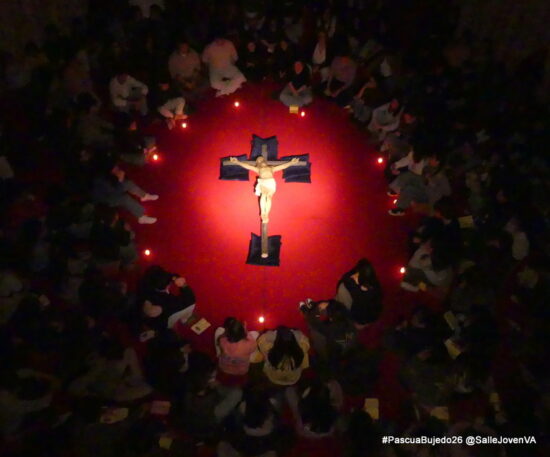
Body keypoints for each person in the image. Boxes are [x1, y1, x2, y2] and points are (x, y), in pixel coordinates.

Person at [229, 156, 300, 223]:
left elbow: (282, 166)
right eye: (259, 160)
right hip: (263, 182)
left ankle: (267, 214)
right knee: (263, 194)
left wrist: (291, 163)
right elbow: (248, 166)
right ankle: (263, 212)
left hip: (271, 182)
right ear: (258, 164)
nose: (261, 160)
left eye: (262, 159)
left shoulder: (271, 168)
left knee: (269, 197)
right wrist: (237, 162)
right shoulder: (258, 169)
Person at [91, 163, 158, 224]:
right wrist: (120, 180)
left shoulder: (106, 174)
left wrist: (119, 179)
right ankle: (141, 217)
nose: (117, 169)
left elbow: (114, 185)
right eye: (115, 169)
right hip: (104, 202)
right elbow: (114, 191)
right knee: (124, 199)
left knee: (127, 183)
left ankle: (144, 196)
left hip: (110, 191)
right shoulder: (99, 179)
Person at [139, 265, 196, 332]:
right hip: (167, 318)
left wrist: (176, 278)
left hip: (167, 314)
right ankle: (183, 320)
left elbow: (172, 276)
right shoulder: (159, 298)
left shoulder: (152, 284)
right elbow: (189, 299)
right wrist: (184, 286)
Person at [335, 259, 383, 327]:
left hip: (361, 319)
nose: (354, 276)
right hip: (371, 313)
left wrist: (352, 281)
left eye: (358, 275)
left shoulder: (363, 293)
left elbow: (345, 280)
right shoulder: (374, 282)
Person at [214, 317, 259, 381]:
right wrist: (245, 329)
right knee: (255, 333)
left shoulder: (222, 340)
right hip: (241, 371)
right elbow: (252, 346)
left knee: (219, 330)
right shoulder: (250, 344)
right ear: (243, 333)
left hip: (224, 368)